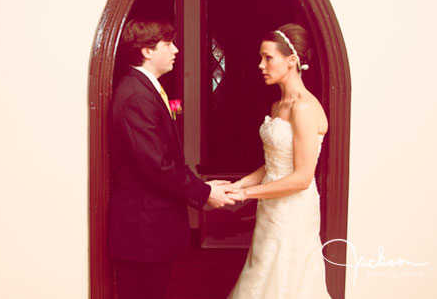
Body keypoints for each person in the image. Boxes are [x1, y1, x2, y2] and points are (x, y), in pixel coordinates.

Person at [108, 17, 235, 299]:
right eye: (168, 44)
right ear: (146, 50)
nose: (176, 50)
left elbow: (164, 161)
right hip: (142, 232)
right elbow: (159, 167)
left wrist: (202, 187)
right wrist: (204, 193)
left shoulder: (144, 88)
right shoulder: (137, 96)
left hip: (148, 230)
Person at [226, 23, 331, 298]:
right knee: (260, 273)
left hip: (293, 209)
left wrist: (246, 194)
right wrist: (238, 185)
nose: (261, 65)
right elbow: (274, 163)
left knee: (284, 281)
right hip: (270, 208)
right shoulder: (278, 106)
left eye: (268, 57)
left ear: (292, 60)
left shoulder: (304, 107)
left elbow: (302, 178)